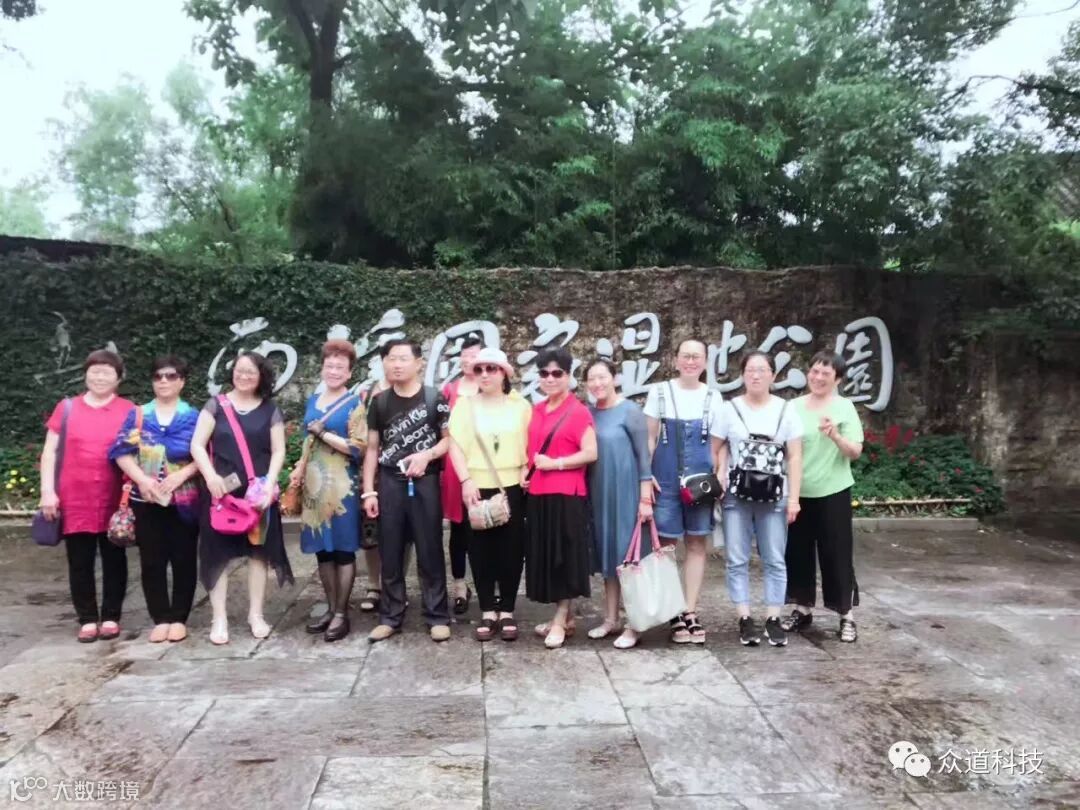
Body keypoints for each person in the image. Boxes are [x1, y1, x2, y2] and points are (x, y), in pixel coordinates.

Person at [190, 351, 293, 645]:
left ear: (261, 376)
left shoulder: (270, 410)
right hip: (220, 494)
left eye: (251, 371)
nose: (244, 376)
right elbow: (197, 445)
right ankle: (219, 617)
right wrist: (210, 476)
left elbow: (279, 451)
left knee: (258, 554)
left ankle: (256, 615)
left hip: (257, 495)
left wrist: (270, 483)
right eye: (239, 370)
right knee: (217, 555)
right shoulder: (215, 405)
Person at [38, 349, 135, 643]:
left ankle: (111, 616)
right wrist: (47, 491)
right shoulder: (67, 408)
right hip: (74, 497)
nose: (99, 377)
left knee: (114, 557)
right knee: (79, 560)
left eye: (107, 372)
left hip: (114, 497)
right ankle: (87, 618)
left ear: (118, 378)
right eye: (94, 371)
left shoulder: (130, 410)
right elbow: (50, 451)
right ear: (85, 375)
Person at [362, 339, 453, 643]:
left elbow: (447, 440)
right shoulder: (379, 402)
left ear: (418, 363)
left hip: (425, 480)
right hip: (391, 481)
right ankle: (390, 616)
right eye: (391, 358)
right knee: (391, 550)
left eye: (403, 358)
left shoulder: (434, 398)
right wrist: (369, 491)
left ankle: (437, 615)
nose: (396, 364)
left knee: (430, 548)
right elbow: (372, 448)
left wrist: (427, 455)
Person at [712, 351, 803, 648]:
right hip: (737, 494)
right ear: (742, 375)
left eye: (762, 370)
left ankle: (773, 617)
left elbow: (795, 456)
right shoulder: (729, 409)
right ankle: (744, 617)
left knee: (774, 558)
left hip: (775, 494)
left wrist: (794, 499)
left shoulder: (786, 410)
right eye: (750, 370)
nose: (756, 375)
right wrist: (721, 471)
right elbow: (716, 445)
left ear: (773, 375)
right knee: (736, 558)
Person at [110, 356, 201, 644]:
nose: (164, 381)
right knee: (152, 560)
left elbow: (206, 454)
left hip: (184, 499)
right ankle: (160, 617)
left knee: (184, 559)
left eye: (171, 376)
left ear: (182, 382)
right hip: (145, 498)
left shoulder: (193, 416)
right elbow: (121, 452)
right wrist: (142, 479)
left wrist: (182, 474)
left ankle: (179, 618)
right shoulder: (139, 415)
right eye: (158, 376)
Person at [644, 339, 723, 644]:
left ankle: (690, 610)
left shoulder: (714, 397)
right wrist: (645, 476)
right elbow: (650, 438)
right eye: (685, 356)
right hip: (664, 479)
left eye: (697, 357)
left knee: (696, 543)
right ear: (675, 360)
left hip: (700, 481)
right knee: (665, 545)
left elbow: (719, 444)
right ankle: (672, 611)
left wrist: (720, 474)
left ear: (705, 362)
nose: (691, 361)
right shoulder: (659, 392)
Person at [448, 347, 530, 642]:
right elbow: (455, 445)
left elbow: (532, 442)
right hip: (476, 484)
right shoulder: (465, 406)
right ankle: (487, 610)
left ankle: (506, 609)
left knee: (512, 549)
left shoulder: (520, 406)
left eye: (491, 369)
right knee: (480, 548)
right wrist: (465, 480)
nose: (484, 374)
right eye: (479, 369)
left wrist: (526, 467)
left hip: (512, 485)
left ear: (504, 373)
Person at [782, 350, 864, 643]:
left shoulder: (845, 408)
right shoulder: (792, 407)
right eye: (814, 371)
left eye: (825, 374)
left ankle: (846, 615)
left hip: (834, 491)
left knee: (837, 554)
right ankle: (801, 609)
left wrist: (835, 436)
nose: (818, 377)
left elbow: (855, 451)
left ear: (837, 379)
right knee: (797, 553)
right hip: (798, 492)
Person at [288, 340, 367, 642]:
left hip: (342, 487)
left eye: (340, 367)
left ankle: (342, 613)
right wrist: (299, 467)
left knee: (344, 549)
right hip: (314, 487)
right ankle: (331, 608)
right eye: (329, 365)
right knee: (323, 550)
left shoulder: (354, 404)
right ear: (322, 368)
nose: (333, 371)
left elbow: (359, 448)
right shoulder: (313, 400)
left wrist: (325, 434)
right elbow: (307, 441)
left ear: (349, 373)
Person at [525, 347, 598, 649]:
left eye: (557, 373)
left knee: (563, 558)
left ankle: (559, 619)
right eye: (544, 373)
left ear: (568, 376)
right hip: (538, 493)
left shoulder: (578, 411)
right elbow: (532, 450)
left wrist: (556, 464)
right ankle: (564, 619)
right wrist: (527, 470)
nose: (550, 378)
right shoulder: (537, 409)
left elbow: (591, 453)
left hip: (567, 495)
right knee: (546, 557)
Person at [585, 358, 653, 650]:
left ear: (614, 378)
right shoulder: (589, 413)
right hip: (599, 493)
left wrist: (645, 497)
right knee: (609, 556)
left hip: (626, 494)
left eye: (602, 377)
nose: (597, 383)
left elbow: (643, 456)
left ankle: (634, 624)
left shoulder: (630, 411)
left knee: (629, 558)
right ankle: (610, 618)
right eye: (592, 379)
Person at [442, 335, 484, 615]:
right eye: (465, 356)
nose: (469, 361)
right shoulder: (449, 391)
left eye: (474, 355)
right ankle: (459, 585)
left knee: (485, 524)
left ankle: (487, 584)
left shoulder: (491, 386)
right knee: (458, 528)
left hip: (484, 466)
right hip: (454, 468)